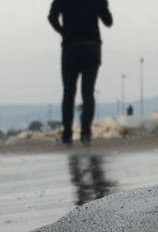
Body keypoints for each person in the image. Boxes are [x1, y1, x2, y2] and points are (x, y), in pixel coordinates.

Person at [48, 0, 113, 146]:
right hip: (91, 46)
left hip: (70, 47)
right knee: (88, 92)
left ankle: (67, 135)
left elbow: (52, 17)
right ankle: (85, 133)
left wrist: (63, 31)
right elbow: (108, 21)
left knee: (69, 92)